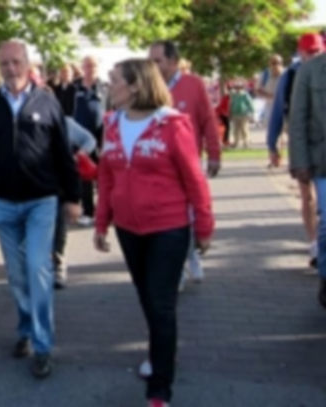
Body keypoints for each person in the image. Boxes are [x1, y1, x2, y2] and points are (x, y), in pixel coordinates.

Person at [94, 59, 214, 407]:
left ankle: (160, 389)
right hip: (129, 230)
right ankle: (163, 350)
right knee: (148, 299)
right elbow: (106, 176)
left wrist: (204, 225)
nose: (108, 85)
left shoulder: (172, 124)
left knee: (161, 306)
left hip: (168, 228)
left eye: (114, 80)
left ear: (134, 86)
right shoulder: (112, 123)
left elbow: (194, 178)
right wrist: (102, 222)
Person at [0, 39, 81, 379]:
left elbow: (63, 152)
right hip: (3, 205)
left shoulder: (48, 103)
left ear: (27, 64)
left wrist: (73, 197)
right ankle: (26, 329)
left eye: (16, 62)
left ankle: (43, 346)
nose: (11, 70)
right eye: (4, 64)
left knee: (38, 269)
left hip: (41, 203)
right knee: (16, 275)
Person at [149, 40, 221, 291]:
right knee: (172, 217)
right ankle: (178, 267)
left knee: (190, 215)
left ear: (172, 61)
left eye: (157, 61)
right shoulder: (148, 88)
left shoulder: (193, 85)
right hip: (160, 164)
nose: (153, 66)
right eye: (151, 61)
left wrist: (214, 153)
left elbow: (208, 120)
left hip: (189, 161)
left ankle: (191, 256)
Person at [268, 33, 324, 269]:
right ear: (300, 52)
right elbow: (285, 114)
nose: (311, 55)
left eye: (316, 51)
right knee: (310, 199)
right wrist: (273, 144)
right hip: (313, 152)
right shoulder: (297, 74)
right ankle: (315, 247)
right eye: (308, 51)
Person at [288, 33, 326, 308]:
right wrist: (299, 160)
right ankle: (325, 276)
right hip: (321, 160)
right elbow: (298, 117)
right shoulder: (310, 71)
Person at [52, 117, 96, 289]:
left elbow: (89, 139)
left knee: (58, 226)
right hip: (33, 184)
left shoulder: (64, 122)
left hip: (60, 183)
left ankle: (58, 265)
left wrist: (79, 155)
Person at [72, 56, 108, 226]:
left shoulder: (105, 87)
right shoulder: (75, 88)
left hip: (102, 137)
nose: (90, 68)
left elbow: (112, 109)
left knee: (105, 177)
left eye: (93, 65)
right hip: (81, 139)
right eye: (87, 66)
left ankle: (106, 211)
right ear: (82, 67)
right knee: (85, 176)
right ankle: (88, 211)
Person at [229, 81, 255, 149]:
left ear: (242, 88)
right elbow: (231, 105)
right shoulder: (233, 96)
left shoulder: (245, 95)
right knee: (235, 130)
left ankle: (246, 142)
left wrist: (251, 113)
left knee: (244, 129)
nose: (238, 89)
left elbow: (250, 105)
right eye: (236, 88)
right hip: (235, 114)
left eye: (239, 88)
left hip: (244, 114)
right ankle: (236, 142)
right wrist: (230, 113)